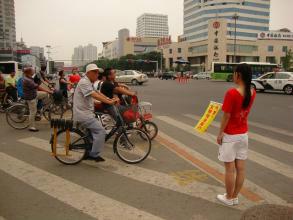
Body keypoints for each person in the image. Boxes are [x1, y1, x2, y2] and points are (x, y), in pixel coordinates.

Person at [216, 63, 256, 206]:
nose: (233, 76)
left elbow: (226, 116)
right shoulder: (252, 91)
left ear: (238, 75)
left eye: (234, 73)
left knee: (229, 170)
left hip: (230, 135)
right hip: (243, 134)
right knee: (241, 169)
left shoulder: (232, 93)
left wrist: (220, 133)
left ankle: (228, 197)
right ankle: (235, 196)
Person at [73, 64, 119, 162]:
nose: (97, 74)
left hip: (87, 112)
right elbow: (94, 95)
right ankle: (93, 155)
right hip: (83, 115)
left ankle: (88, 152)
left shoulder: (88, 82)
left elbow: (98, 92)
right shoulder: (84, 82)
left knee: (92, 135)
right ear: (88, 73)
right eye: (95, 72)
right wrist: (109, 102)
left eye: (98, 72)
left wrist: (108, 99)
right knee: (101, 131)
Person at [23, 67, 53, 132]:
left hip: (34, 93)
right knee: (32, 112)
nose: (34, 71)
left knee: (44, 94)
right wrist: (49, 91)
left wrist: (49, 88)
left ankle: (40, 108)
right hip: (31, 97)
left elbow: (42, 81)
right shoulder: (27, 80)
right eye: (32, 71)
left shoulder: (30, 77)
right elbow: (38, 86)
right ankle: (31, 127)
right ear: (29, 72)